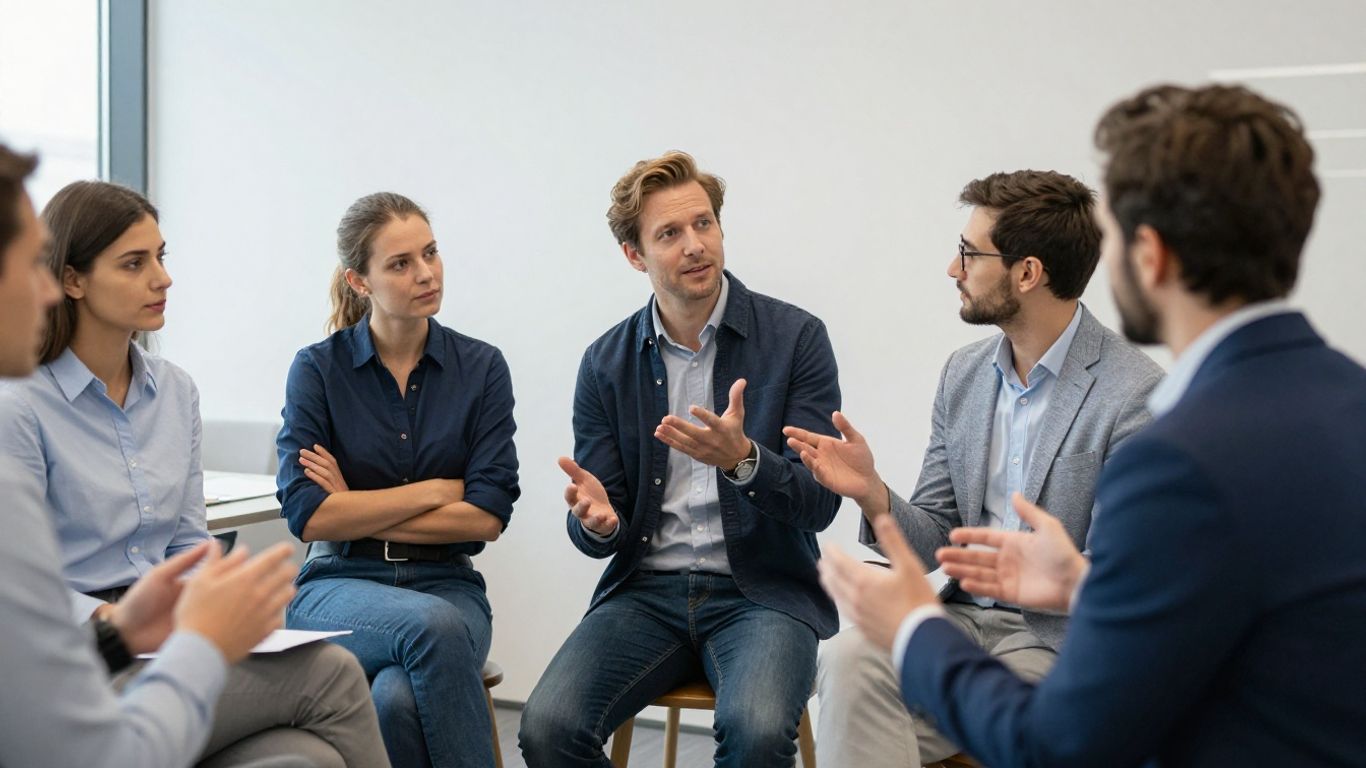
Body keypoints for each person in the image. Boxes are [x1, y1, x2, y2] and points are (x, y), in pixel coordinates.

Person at [820, 83, 1366, 767]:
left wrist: (912, 625)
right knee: (849, 664)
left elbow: (1064, 743)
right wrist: (876, 497)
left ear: (1151, 255)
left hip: (1057, 657)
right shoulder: (1348, 402)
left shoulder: (1172, 445)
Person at [0, 178, 389, 767]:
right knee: (332, 676)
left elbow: (187, 540)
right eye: (134, 263)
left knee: (308, 758)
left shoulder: (175, 391)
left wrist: (217, 604)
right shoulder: (22, 405)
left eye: (161, 257)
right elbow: (26, 590)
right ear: (72, 279)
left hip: (164, 632)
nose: (162, 278)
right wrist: (119, 620)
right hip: (86, 656)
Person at [784, 169, 1161, 767]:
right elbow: (936, 538)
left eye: (968, 253)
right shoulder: (963, 374)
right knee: (848, 659)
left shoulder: (1133, 394)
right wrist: (873, 495)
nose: (953, 269)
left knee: (890, 729)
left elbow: (1122, 577)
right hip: (959, 619)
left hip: (1053, 641)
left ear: (1028, 272)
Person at [519, 150, 843, 768]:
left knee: (755, 732)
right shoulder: (605, 363)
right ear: (635, 256)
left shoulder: (797, 338)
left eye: (704, 224)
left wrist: (746, 461)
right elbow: (598, 514)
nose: (695, 245)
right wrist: (595, 522)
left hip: (766, 595)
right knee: (547, 727)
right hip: (646, 593)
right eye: (670, 233)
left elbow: (820, 503)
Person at [278, 191, 519, 768]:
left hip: (449, 584)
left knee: (395, 697)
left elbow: (486, 517)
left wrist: (354, 501)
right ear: (359, 281)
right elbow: (309, 516)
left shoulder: (482, 368)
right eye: (401, 263)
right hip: (337, 583)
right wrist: (436, 491)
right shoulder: (317, 369)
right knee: (428, 628)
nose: (426, 273)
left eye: (430, 253)